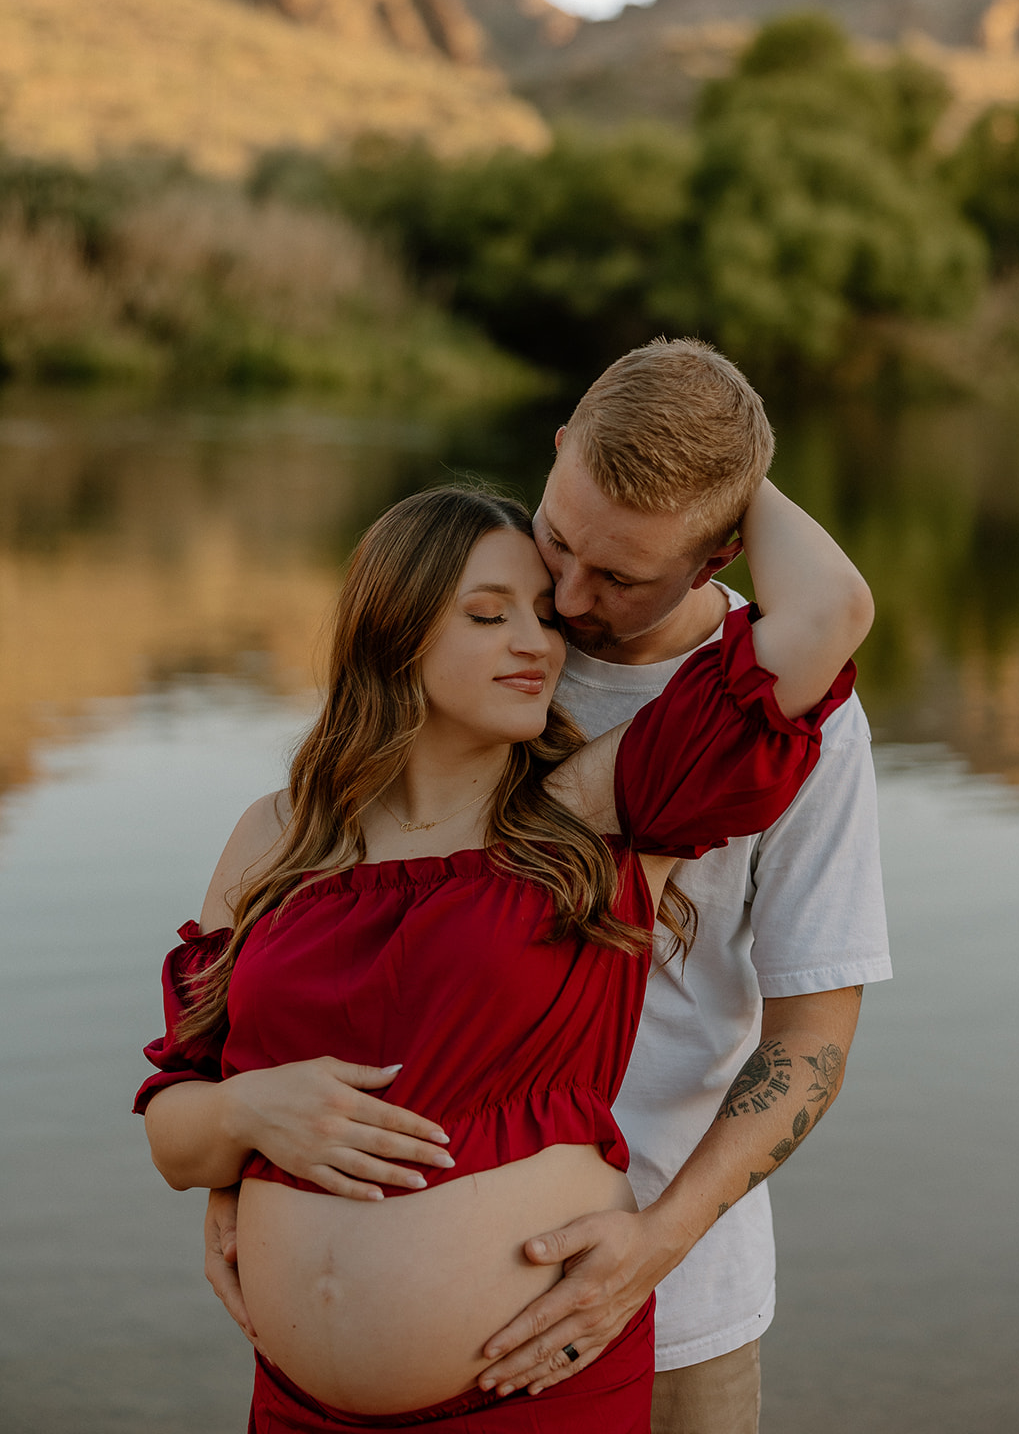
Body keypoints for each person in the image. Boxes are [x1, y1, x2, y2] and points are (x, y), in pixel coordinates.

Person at [202, 339, 892, 1434]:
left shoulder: (780, 715)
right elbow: (319, 932)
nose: (565, 600)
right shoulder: (481, 637)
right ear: (559, 446)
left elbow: (811, 1037)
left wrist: (652, 1248)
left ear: (721, 548)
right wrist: (240, 1167)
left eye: (618, 574)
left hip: (668, 1294)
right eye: (557, 536)